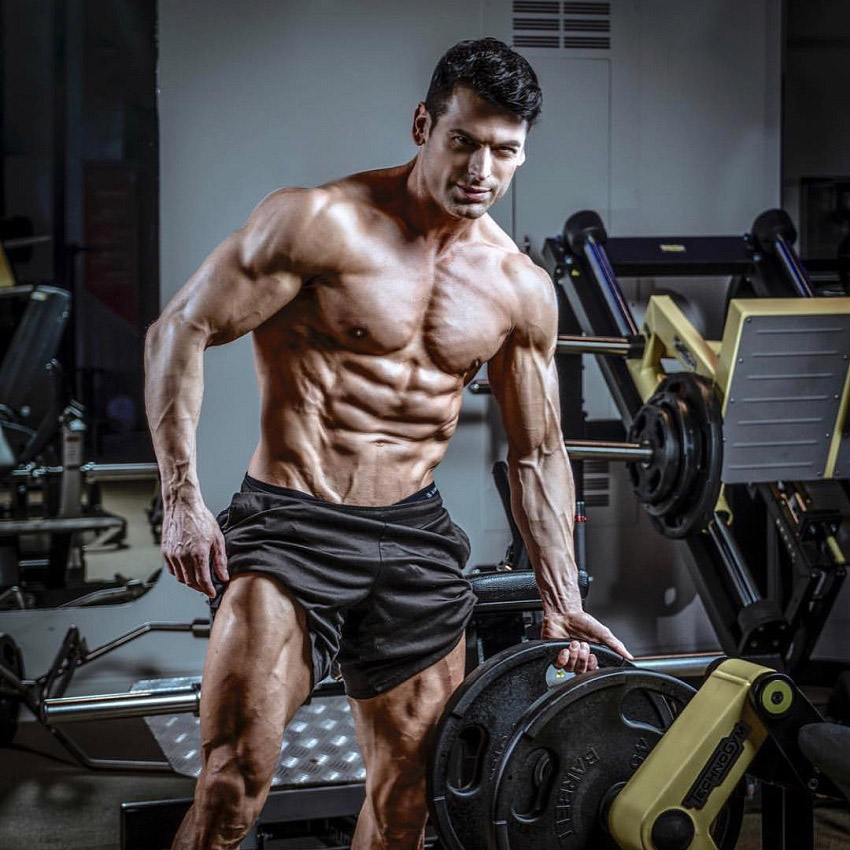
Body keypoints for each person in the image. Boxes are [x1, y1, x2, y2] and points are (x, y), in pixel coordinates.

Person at [144, 37, 632, 850]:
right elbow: (179, 331)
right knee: (233, 784)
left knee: (411, 805)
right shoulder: (319, 224)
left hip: (412, 539)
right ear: (423, 125)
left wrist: (562, 599)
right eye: (464, 142)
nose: (482, 170)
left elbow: (538, 453)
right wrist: (182, 500)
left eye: (504, 152)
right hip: (294, 527)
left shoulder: (518, 289)